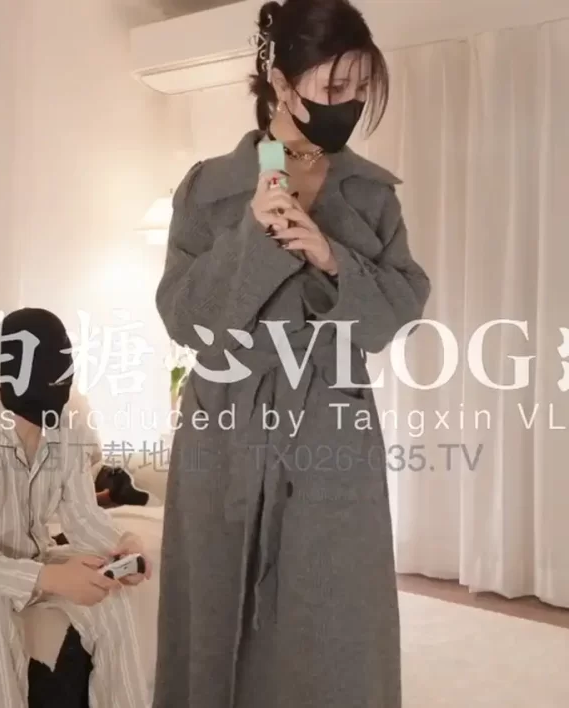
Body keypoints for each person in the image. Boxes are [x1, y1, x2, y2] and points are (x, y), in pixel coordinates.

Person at [152, 1, 431, 707]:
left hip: (330, 426)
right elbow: (184, 320)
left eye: (360, 88)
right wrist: (253, 234)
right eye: (333, 87)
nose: (349, 104)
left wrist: (334, 259)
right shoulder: (209, 189)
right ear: (280, 82)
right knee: (216, 617)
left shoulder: (371, 195)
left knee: (332, 625)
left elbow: (400, 310)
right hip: (225, 424)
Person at [0, 307, 152, 708]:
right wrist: (51, 578)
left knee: (110, 594)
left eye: (65, 361)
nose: (62, 377)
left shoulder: (67, 430)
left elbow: (82, 515)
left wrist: (124, 543)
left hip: (27, 559)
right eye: (50, 364)